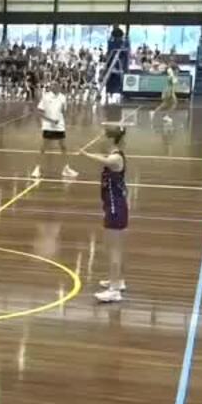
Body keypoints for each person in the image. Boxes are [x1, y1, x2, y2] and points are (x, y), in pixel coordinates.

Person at [82, 124, 129, 303]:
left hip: (115, 207)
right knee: (112, 247)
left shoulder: (116, 159)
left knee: (114, 249)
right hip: (114, 205)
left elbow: (104, 161)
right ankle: (118, 280)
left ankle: (114, 290)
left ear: (111, 138)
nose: (101, 139)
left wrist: (85, 154)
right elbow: (104, 158)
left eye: (104, 136)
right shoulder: (115, 155)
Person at [31, 83, 77, 179]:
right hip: (48, 126)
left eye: (58, 86)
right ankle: (37, 169)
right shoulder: (46, 97)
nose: (57, 87)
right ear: (51, 87)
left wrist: (67, 118)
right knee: (43, 148)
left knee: (63, 147)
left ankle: (66, 169)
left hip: (59, 126)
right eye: (54, 86)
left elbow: (63, 111)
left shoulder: (63, 97)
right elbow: (39, 112)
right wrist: (50, 121)